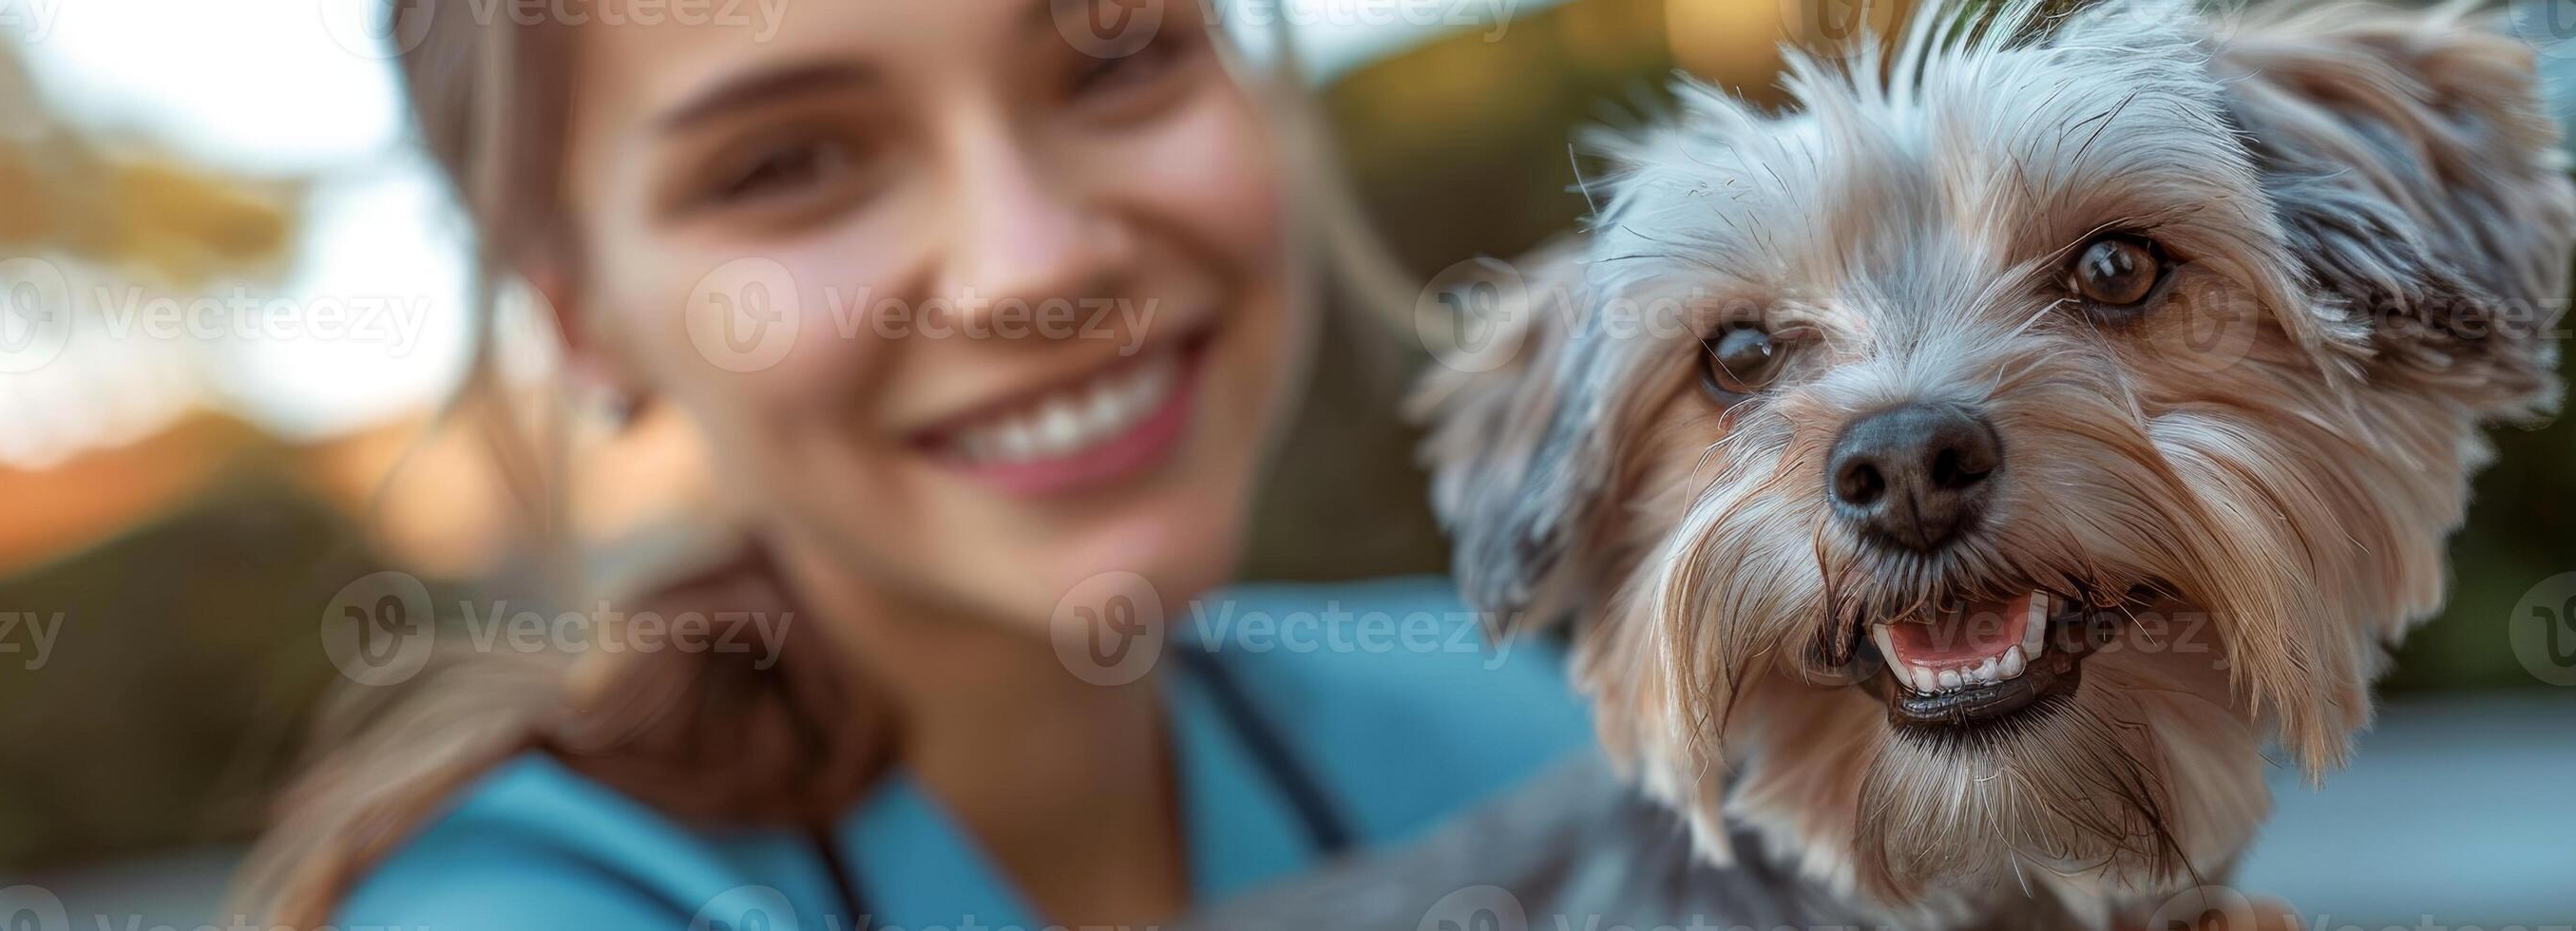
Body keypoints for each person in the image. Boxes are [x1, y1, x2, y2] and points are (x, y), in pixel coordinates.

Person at [229, 2, 1586, 928]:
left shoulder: (1532, 733)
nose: (1034, 266)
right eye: (786, 163)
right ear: (583, 318)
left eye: (1115, 58)